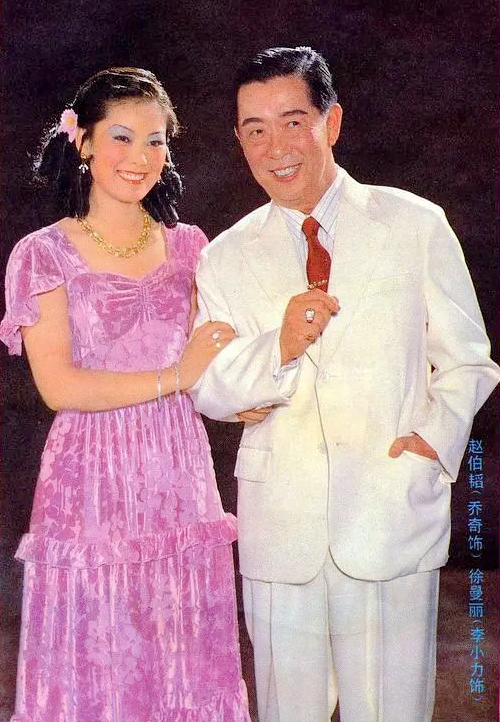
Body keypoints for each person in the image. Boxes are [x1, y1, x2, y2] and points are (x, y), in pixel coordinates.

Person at [189, 47, 500, 722]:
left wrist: (431, 446)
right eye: (255, 130)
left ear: (331, 122)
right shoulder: (223, 256)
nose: (276, 148)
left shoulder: (415, 224)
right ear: (240, 140)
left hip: (390, 508)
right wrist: (280, 346)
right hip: (281, 527)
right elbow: (209, 388)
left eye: (293, 122)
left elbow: (469, 360)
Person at [0, 67, 251, 722]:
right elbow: (58, 385)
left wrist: (242, 392)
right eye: (121, 136)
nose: (140, 157)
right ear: (81, 140)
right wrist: (176, 377)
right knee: (99, 660)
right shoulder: (43, 254)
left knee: (184, 658)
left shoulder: (191, 248)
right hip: (89, 482)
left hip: (180, 475)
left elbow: (214, 364)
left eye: (155, 140)